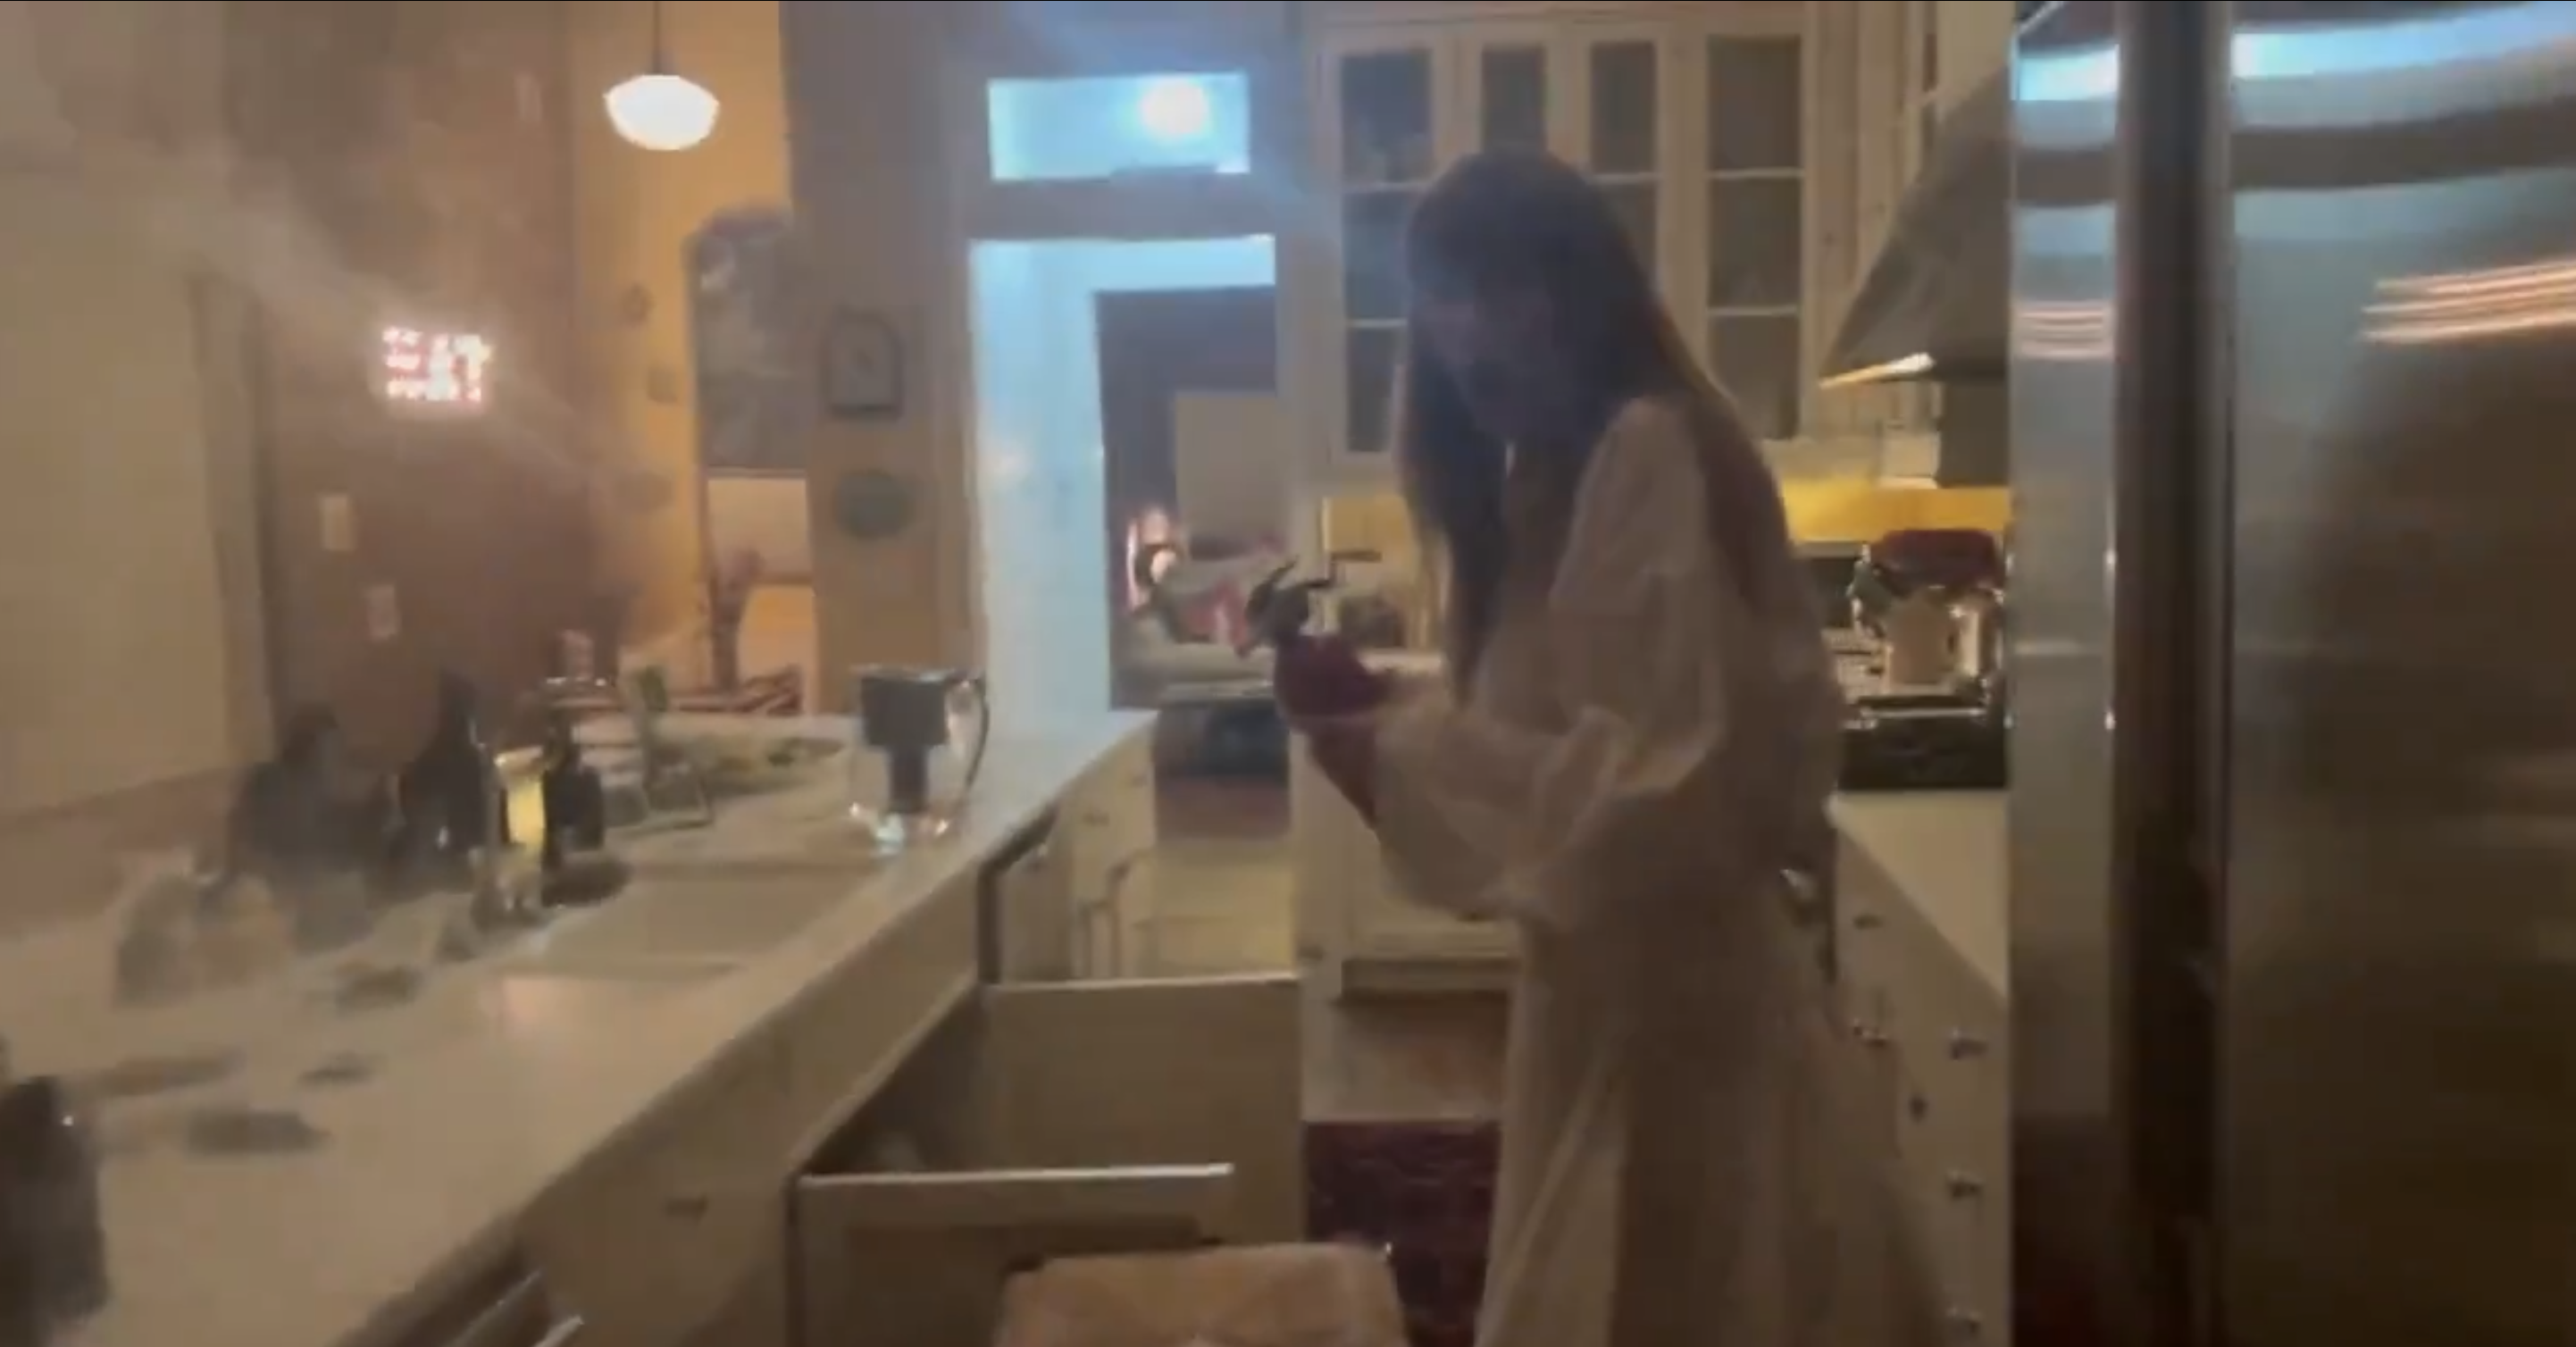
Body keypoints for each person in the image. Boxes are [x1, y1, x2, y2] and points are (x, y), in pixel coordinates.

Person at [1277, 148, 1938, 1347]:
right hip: (1607, 1005)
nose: (1476, 325)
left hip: (1676, 1030)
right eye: (1448, 291)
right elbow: (1571, 750)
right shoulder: (1549, 481)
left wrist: (1392, 752)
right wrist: (1378, 730)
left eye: (1513, 287)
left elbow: (1653, 793)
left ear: (1585, 298)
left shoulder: (1650, 449)